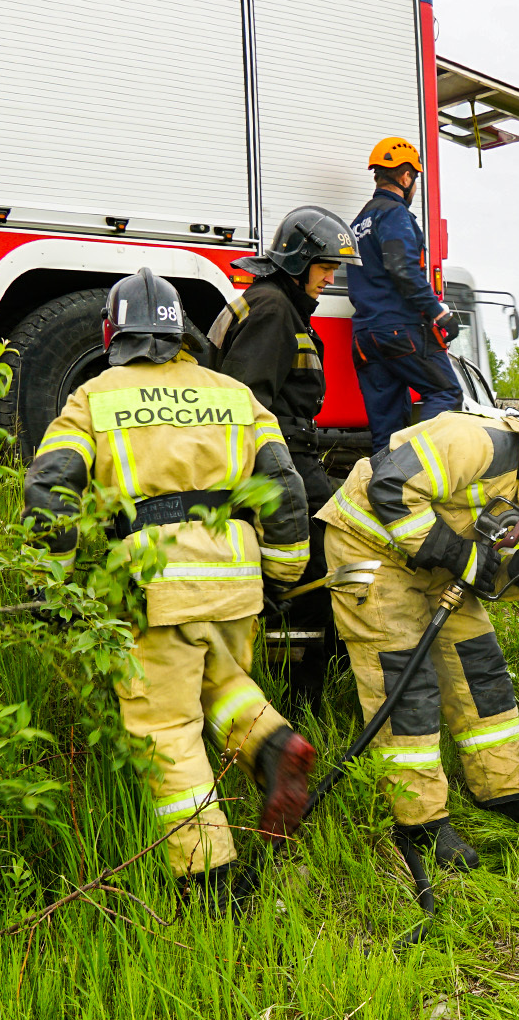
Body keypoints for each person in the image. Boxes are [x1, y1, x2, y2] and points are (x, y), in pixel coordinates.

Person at [23, 268, 317, 912]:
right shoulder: (233, 393)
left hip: (154, 576)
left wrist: (53, 583)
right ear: (178, 332)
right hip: (235, 578)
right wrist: (285, 570)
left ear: (112, 332)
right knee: (221, 682)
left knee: (165, 727)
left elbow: (51, 487)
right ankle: (271, 745)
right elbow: (285, 486)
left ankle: (210, 882)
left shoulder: (96, 398)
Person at [316, 413, 519, 870]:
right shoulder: (475, 443)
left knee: (480, 668)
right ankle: (420, 823)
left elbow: (487, 577)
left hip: (432, 563)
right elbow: (391, 487)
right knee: (407, 684)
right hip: (370, 550)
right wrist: (458, 554)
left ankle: (504, 790)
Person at [211, 205, 360, 708]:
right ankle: (302, 703)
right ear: (298, 263)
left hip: (292, 456)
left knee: (326, 561)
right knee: (314, 577)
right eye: (325, 267)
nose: (330, 278)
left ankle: (318, 676)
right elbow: (242, 404)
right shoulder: (274, 310)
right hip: (281, 462)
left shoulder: (274, 304)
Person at [349, 137, 462, 454]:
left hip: (364, 338)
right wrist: (439, 313)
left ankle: (384, 493)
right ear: (404, 176)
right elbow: (403, 268)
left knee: (386, 434)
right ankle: (420, 469)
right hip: (399, 329)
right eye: (415, 178)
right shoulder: (395, 215)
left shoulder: (359, 222)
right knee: (445, 392)